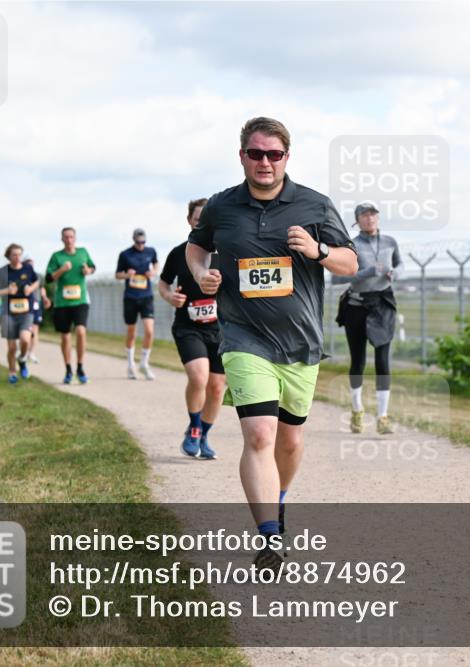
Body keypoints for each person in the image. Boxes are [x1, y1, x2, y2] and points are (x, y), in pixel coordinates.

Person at [186, 116, 357, 567]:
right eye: (256, 153)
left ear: (286, 157)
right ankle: (268, 538)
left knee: (289, 442)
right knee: (259, 434)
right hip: (243, 337)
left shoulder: (315, 206)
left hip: (300, 342)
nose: (265, 162)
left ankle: (278, 501)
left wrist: (318, 251)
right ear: (242, 155)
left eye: (274, 154)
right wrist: (203, 274)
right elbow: (195, 246)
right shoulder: (222, 206)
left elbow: (350, 263)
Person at [160, 198, 225, 460]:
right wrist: (169, 297)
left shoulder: (225, 254)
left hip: (220, 329)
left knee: (217, 387)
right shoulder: (179, 253)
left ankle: (205, 434)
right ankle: (194, 428)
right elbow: (163, 284)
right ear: (190, 221)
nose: (202, 224)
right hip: (188, 326)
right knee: (199, 377)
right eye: (198, 220)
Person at [332, 202, 403, 434]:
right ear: (357, 220)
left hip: (382, 305)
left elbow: (400, 263)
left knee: (383, 360)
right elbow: (341, 277)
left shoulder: (391, 242)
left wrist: (395, 272)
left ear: (378, 218)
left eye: (373, 214)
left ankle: (383, 416)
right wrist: (369, 272)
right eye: (364, 215)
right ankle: (357, 409)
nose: (369, 218)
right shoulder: (351, 245)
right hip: (357, 306)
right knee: (358, 361)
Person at [46, 227, 96, 384]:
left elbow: (92, 267)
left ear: (75, 238)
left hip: (80, 300)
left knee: (81, 331)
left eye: (71, 237)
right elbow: (48, 278)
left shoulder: (83, 252)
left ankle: (80, 367)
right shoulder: (57, 256)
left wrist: (88, 270)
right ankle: (68, 369)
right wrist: (61, 270)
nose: (69, 240)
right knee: (66, 337)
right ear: (62, 239)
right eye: (66, 237)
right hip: (62, 303)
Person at [115, 228, 159, 380]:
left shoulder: (151, 251)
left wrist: (153, 272)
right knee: (131, 332)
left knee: (149, 331)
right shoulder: (125, 254)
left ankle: (144, 364)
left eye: (143, 242)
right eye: (138, 242)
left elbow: (156, 265)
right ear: (133, 240)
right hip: (131, 297)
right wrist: (127, 274)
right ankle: (130, 365)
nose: (141, 245)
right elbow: (117, 275)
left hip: (146, 296)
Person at [0, 244, 38, 384]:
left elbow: (37, 282)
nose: (17, 258)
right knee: (12, 347)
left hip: (26, 312)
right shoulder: (2, 272)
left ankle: (22, 359)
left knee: (25, 339)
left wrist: (31, 288)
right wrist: (6, 291)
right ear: (8, 256)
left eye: (19, 254)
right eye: (14, 255)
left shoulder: (28, 269)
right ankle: (12, 372)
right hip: (8, 313)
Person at [24, 257, 50, 364]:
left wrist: (45, 298)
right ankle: (23, 352)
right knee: (25, 330)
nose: (30, 265)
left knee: (35, 330)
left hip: (36, 304)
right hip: (24, 305)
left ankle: (31, 353)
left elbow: (42, 289)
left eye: (31, 263)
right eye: (28, 263)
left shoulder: (38, 276)